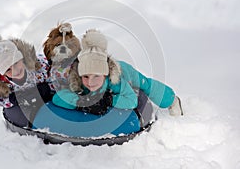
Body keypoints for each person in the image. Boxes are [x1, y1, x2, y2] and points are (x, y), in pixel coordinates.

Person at [52, 29, 183, 121]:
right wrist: (80, 102)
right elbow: (58, 98)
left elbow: (131, 100)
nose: (90, 82)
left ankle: (172, 100)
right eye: (86, 76)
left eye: (96, 76)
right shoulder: (79, 82)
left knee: (146, 85)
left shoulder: (116, 82)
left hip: (126, 72)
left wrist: (109, 101)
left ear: (105, 75)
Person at [0, 29, 54, 128]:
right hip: (23, 105)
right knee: (21, 116)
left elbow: (55, 77)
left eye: (16, 63)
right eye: (8, 69)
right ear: (2, 73)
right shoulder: (0, 84)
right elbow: (1, 100)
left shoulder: (39, 66)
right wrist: (15, 99)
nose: (15, 71)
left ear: (21, 58)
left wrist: (46, 89)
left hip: (44, 95)